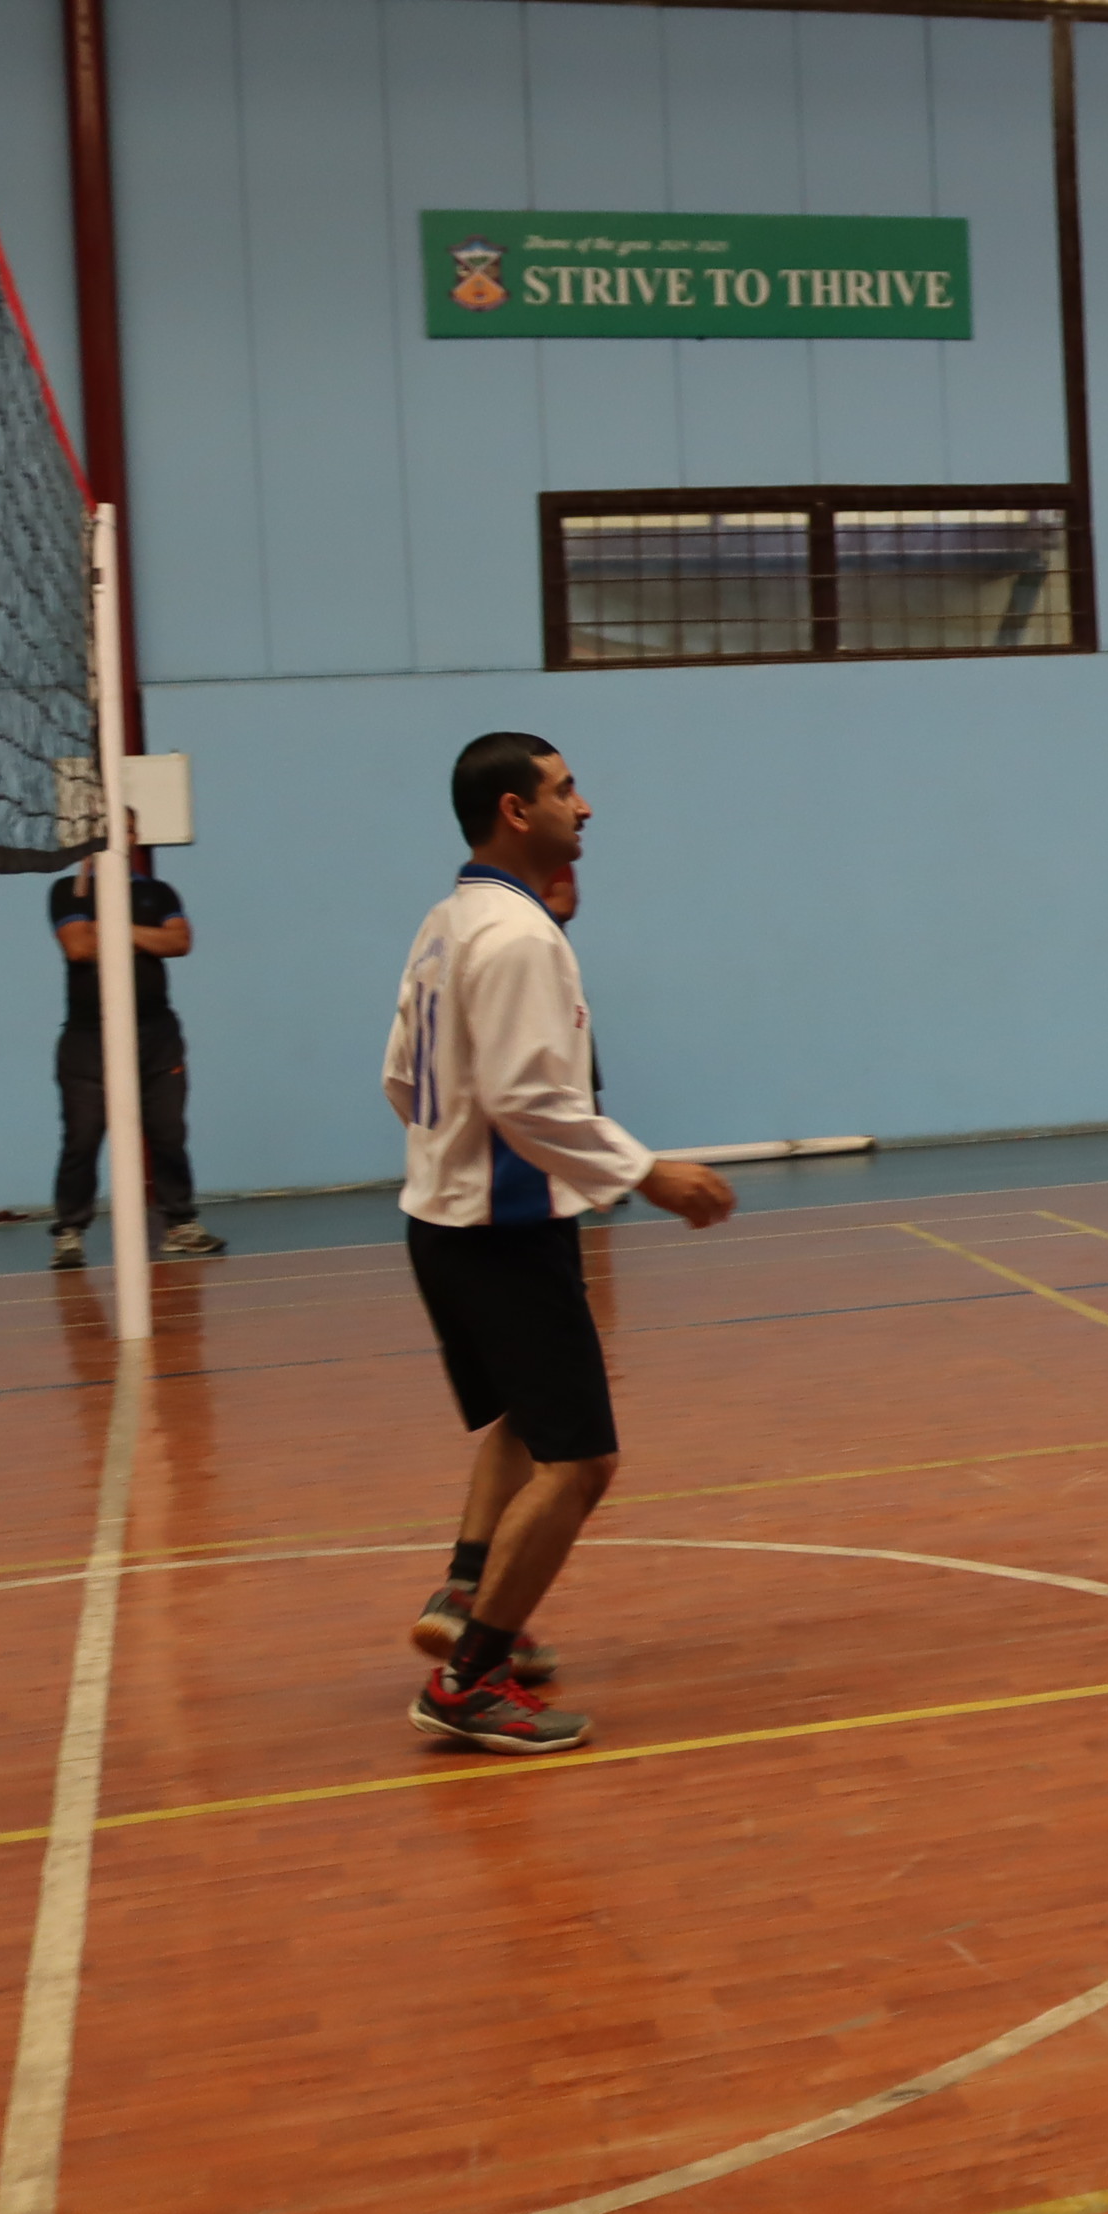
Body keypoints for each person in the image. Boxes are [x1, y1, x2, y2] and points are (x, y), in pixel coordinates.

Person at [385, 733, 735, 1755]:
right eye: (565, 789)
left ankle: (467, 1590)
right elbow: (529, 1100)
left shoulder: (446, 924)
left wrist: (450, 1162)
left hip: (442, 1223)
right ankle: (468, 1681)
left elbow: (401, 1077)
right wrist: (647, 1172)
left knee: (524, 1424)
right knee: (580, 1465)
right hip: (503, 1236)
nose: (584, 808)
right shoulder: (521, 940)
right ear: (513, 810)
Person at [46, 844, 222, 1268]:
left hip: (156, 1035)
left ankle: (181, 1224)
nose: (117, 840)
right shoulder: (69, 891)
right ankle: (70, 1232)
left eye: (125, 832)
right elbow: (78, 947)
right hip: (89, 1038)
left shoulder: (157, 892)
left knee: (169, 1132)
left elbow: (179, 941)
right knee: (82, 1137)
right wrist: (145, 937)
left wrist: (113, 928)